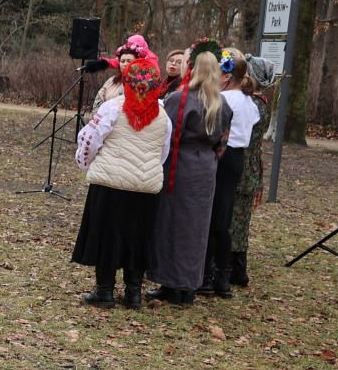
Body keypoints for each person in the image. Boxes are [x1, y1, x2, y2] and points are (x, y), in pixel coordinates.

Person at [71, 56, 171, 309]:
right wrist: (146, 170)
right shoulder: (163, 115)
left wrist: (86, 164)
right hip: (144, 186)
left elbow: (90, 141)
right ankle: (133, 293)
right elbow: (163, 152)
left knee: (107, 235)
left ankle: (104, 291)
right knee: (137, 238)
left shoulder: (113, 108)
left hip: (110, 183)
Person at [148, 45, 232, 306]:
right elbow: (222, 142)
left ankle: (173, 282)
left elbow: (167, 134)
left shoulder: (180, 98)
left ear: (192, 67)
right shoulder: (222, 102)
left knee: (174, 223)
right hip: (206, 167)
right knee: (196, 227)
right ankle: (187, 284)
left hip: (180, 165)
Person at [202, 49, 262, 298]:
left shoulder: (224, 99)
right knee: (223, 220)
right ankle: (222, 277)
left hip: (223, 156)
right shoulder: (251, 103)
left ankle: (205, 275)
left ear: (226, 77)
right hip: (238, 158)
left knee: (211, 218)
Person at [229, 56, 275, 288]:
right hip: (250, 167)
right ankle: (235, 268)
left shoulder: (254, 104)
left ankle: (236, 270)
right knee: (239, 218)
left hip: (244, 168)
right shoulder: (259, 102)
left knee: (237, 220)